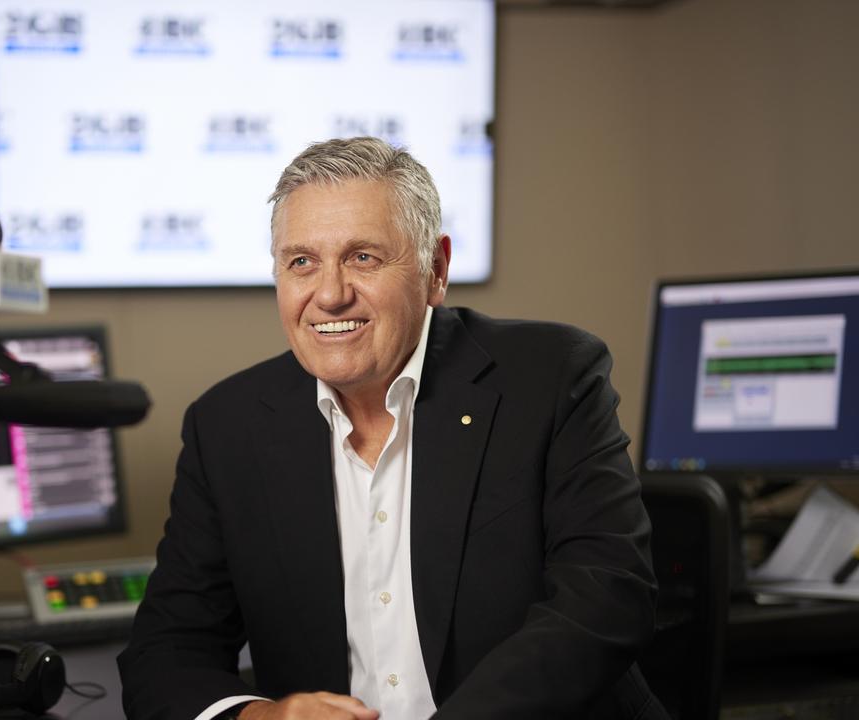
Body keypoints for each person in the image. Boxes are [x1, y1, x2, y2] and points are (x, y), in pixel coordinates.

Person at [118, 137, 666, 720]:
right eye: (301, 261)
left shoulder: (551, 376)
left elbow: (606, 599)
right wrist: (259, 718)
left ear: (435, 269)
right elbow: (165, 653)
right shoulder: (227, 425)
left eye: (363, 258)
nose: (329, 295)